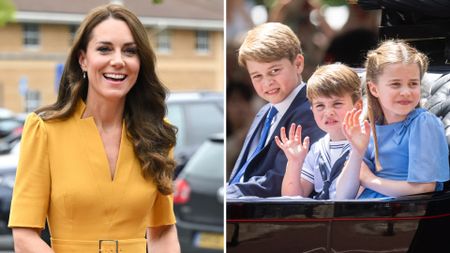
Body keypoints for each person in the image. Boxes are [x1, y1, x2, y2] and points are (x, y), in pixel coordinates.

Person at [8, 4, 180, 253]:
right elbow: (24, 237)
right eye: (104, 49)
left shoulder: (157, 134)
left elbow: (163, 229)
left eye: (130, 51)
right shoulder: (45, 129)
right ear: (83, 59)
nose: (118, 61)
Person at [336, 40, 450, 199]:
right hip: (365, 214)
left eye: (413, 84)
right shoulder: (370, 129)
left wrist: (371, 180)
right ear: (374, 89)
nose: (406, 92)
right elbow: (342, 196)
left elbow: (425, 187)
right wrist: (357, 151)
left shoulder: (423, 123)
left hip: (400, 215)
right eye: (396, 84)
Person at [227, 22, 325, 198]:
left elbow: (277, 181)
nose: (266, 82)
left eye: (274, 71)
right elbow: (244, 171)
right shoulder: (264, 112)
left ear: (298, 64)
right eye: (257, 76)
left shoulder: (311, 111)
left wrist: (231, 194)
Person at [276, 64, 362, 199]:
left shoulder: (367, 143)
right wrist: (294, 162)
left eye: (337, 104)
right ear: (312, 109)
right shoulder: (317, 149)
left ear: (358, 106)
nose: (328, 113)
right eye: (320, 106)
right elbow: (292, 198)